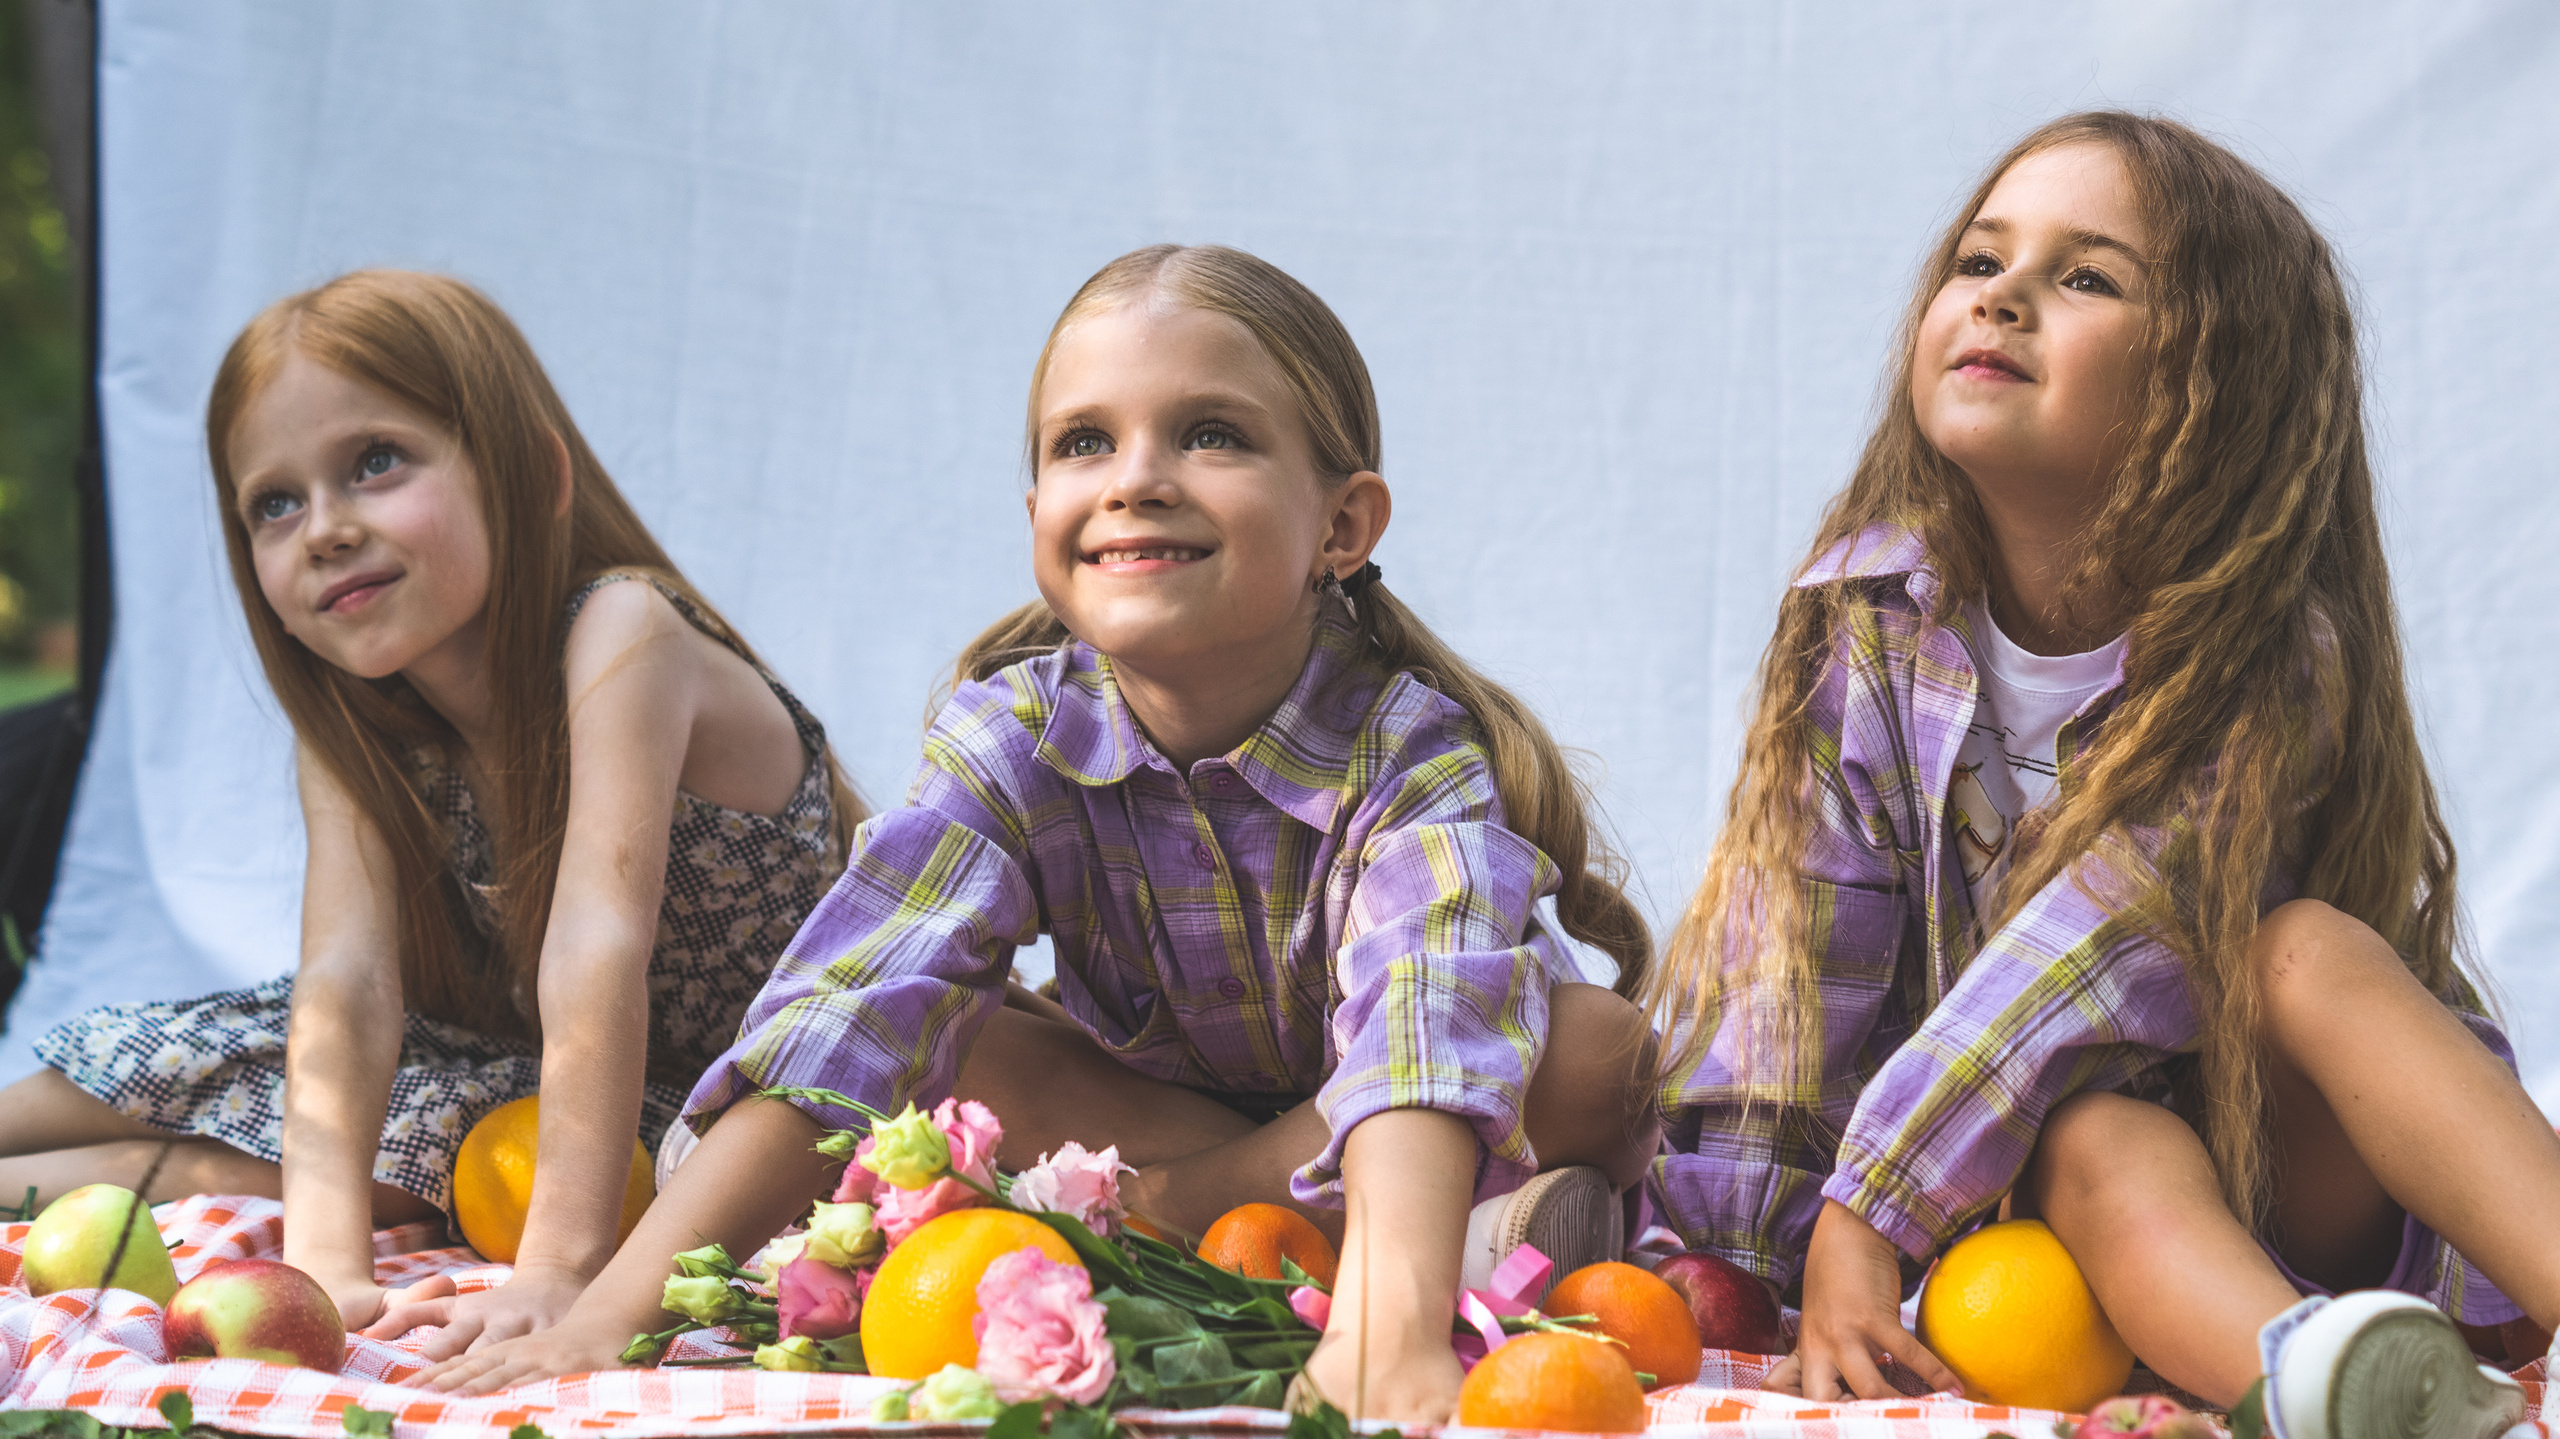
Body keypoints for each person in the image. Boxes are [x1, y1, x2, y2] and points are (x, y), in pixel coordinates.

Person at [415, 244, 1661, 1421]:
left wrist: (1385, 1335)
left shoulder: (1408, 747)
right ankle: (1393, 1235)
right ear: (1036, 514)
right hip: (1159, 1104)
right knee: (952, 1054)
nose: (1136, 476)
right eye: (1084, 442)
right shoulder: (1011, 733)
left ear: (1341, 525)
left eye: (1211, 433)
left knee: (1588, 1052)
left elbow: (1422, 1028)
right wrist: (611, 1312)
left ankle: (1281, 1239)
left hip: (1404, 1114)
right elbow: (850, 1014)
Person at [1646, 111, 2560, 1437]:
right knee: (2093, 1131)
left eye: (2085, 276)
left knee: (2300, 950)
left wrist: (1872, 1203)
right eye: (1979, 260)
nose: (2001, 294)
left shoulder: (2268, 656)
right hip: (2086, 1223)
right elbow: (1794, 967)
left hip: (2312, 1170)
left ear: (2211, 386)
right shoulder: (1865, 624)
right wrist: (1743, 1262)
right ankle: (2339, 1391)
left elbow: (2102, 939)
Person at [0, 270, 862, 1361]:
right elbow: (346, 988)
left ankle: (163, 1180)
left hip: (732, 1113)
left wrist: (557, 1269)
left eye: (375, 462)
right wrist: (324, 1266)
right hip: (544, 1065)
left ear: (530, 473)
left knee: (437, 1138)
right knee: (206, 1049)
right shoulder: (364, 722)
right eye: (275, 503)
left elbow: (598, 949)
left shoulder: (626, 632)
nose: (324, 529)